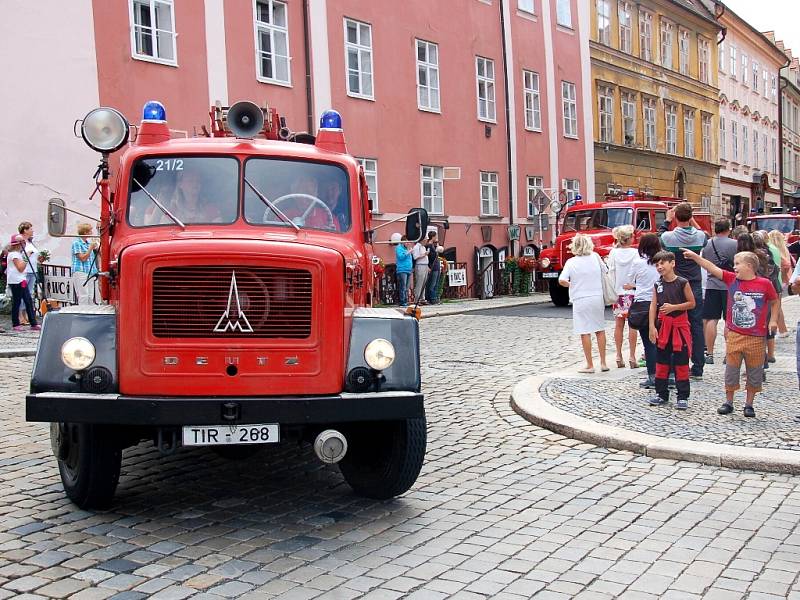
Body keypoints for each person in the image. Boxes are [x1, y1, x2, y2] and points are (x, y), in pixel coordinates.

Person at [683, 249, 778, 418]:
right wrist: (696, 257)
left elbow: (774, 300)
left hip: (757, 336)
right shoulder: (731, 279)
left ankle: (749, 404)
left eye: (737, 264)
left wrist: (773, 320)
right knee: (731, 370)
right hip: (735, 334)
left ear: (749, 266)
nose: (734, 267)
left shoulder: (764, 284)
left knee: (754, 371)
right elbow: (711, 268)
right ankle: (729, 401)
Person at [658, 202, 707, 380]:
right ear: (690, 216)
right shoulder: (700, 237)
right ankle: (698, 366)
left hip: (676, 284)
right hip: (694, 283)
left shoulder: (669, 237)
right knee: (696, 325)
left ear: (676, 217)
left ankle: (673, 366)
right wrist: (692, 221)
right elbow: (704, 233)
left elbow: (658, 238)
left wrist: (667, 220)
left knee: (673, 324)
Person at [647, 251, 696, 409]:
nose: (659, 267)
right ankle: (661, 393)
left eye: (662, 263)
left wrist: (674, 307)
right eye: (657, 264)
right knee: (661, 362)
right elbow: (653, 305)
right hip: (663, 326)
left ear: (672, 263)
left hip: (679, 327)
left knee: (681, 362)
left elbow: (691, 303)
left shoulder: (682, 282)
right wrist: (652, 326)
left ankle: (683, 396)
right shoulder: (658, 284)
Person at [558, 234, 608, 373]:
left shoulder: (571, 262)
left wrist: (571, 284)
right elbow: (606, 271)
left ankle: (590, 365)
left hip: (580, 298)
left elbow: (562, 280)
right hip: (597, 296)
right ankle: (603, 363)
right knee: (600, 329)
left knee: (584, 331)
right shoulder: (596, 257)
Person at [625, 233, 662, 389]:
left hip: (643, 303)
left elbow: (629, 280)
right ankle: (670, 374)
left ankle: (653, 376)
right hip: (661, 302)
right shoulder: (661, 262)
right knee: (664, 341)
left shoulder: (638, 262)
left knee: (649, 343)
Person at [700, 218, 737, 364]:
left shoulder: (708, 245)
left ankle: (709, 353)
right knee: (729, 321)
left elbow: (706, 262)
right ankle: (729, 354)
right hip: (730, 285)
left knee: (711, 320)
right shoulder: (734, 244)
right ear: (728, 229)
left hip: (712, 285)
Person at [608, 225, 639, 369]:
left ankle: (619, 355)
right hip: (633, 292)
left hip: (618, 293)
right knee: (633, 326)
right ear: (629, 238)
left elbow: (610, 272)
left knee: (619, 325)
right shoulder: (635, 253)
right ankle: (632, 356)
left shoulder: (613, 253)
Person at [6, 235, 39, 332]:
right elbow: (20, 268)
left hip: (20, 280)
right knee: (17, 302)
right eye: (23, 243)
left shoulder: (17, 254)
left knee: (28, 301)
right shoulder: (14, 255)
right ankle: (16, 323)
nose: (24, 244)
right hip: (16, 281)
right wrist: (27, 257)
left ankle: (33, 323)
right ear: (18, 244)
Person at [767, 229, 791, 337]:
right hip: (781, 281)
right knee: (777, 306)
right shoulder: (783, 250)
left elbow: (785, 264)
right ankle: (782, 329)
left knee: (776, 307)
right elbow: (787, 264)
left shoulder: (772, 250)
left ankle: (781, 330)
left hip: (775, 281)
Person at [71, 223, 100, 305]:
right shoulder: (77, 243)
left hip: (90, 272)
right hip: (81, 271)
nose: (91, 232)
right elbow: (82, 258)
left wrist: (97, 247)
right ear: (85, 232)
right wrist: (90, 248)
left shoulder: (88, 243)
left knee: (90, 295)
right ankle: (83, 313)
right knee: (83, 295)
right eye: (90, 231)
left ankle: (89, 313)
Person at [392, 233, 412, 307]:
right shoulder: (399, 248)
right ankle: (402, 301)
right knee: (402, 286)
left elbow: (410, 259)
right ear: (403, 241)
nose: (408, 243)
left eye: (409, 242)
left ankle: (406, 300)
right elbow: (400, 257)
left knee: (407, 287)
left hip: (408, 269)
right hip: (402, 270)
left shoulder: (407, 248)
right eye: (407, 242)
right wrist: (408, 253)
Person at [411, 236, 429, 303]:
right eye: (425, 240)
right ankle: (417, 299)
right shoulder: (416, 247)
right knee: (419, 282)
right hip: (420, 265)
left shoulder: (423, 247)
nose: (426, 241)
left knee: (424, 282)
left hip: (425, 265)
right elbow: (415, 257)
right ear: (422, 240)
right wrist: (424, 254)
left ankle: (422, 298)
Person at [425, 231, 441, 304]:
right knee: (432, 284)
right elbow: (431, 257)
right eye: (435, 236)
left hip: (436, 266)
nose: (436, 237)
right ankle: (432, 298)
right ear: (433, 237)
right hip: (433, 266)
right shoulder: (429, 245)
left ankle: (435, 297)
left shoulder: (433, 245)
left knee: (436, 283)